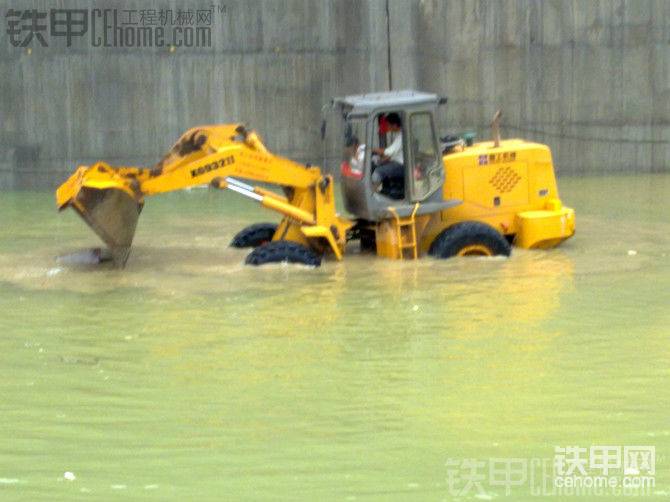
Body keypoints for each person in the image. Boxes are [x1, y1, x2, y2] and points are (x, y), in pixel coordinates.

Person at [371, 113, 405, 198]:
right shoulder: (398, 135)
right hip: (397, 162)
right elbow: (393, 154)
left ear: (394, 125)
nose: (387, 127)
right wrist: (382, 160)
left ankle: (371, 196)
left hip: (401, 166)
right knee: (376, 165)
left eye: (388, 125)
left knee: (378, 172)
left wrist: (371, 149)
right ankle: (385, 191)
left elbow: (388, 152)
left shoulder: (401, 136)